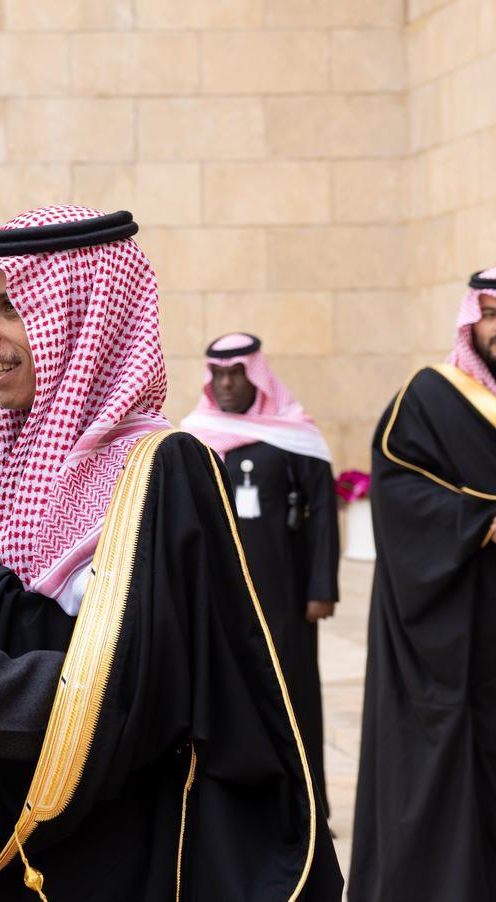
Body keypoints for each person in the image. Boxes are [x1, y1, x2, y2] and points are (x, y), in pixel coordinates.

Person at [0, 206, 343, 900]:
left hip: (113, 859)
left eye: (9, 307)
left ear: (89, 324)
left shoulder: (166, 474)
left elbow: (134, 699)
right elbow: (1, 638)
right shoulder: (7, 478)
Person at [349, 266, 496, 901]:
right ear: (472, 321)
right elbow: (398, 489)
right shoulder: (431, 397)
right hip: (463, 630)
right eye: (490, 313)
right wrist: (479, 520)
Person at [180, 333, 339, 815]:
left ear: (257, 376)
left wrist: (321, 589)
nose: (228, 384)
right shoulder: (196, 435)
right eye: (219, 375)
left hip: (284, 595)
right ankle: (242, 806)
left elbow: (324, 515)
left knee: (293, 694)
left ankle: (306, 804)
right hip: (218, 594)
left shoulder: (294, 435)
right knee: (228, 693)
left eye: (238, 374)